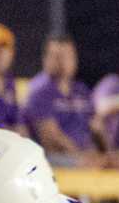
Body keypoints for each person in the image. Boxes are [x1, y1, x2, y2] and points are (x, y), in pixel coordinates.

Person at [25, 34, 97, 164]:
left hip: (84, 155)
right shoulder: (40, 90)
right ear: (46, 59)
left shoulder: (80, 90)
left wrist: (105, 154)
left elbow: (95, 126)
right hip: (53, 159)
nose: (64, 62)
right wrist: (82, 157)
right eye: (57, 57)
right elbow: (51, 139)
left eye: (68, 56)